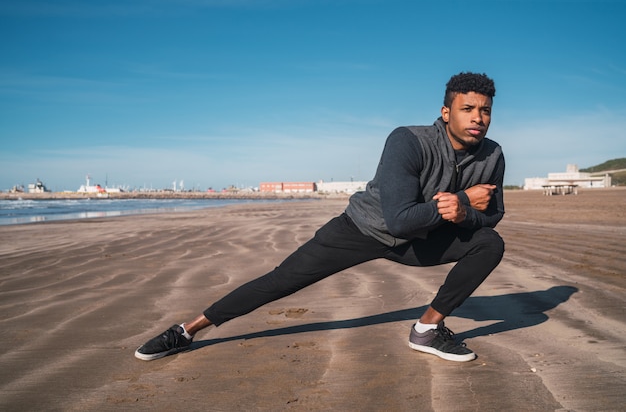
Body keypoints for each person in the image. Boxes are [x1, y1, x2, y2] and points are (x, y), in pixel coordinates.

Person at [135, 72, 505, 363]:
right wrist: (459, 202)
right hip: (362, 229)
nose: (478, 118)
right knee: (281, 280)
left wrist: (466, 216)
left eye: (485, 110)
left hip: (421, 240)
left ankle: (426, 329)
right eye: (467, 109)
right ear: (446, 113)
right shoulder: (408, 140)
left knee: (489, 244)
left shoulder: (492, 156)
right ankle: (187, 331)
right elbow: (399, 221)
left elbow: (494, 214)